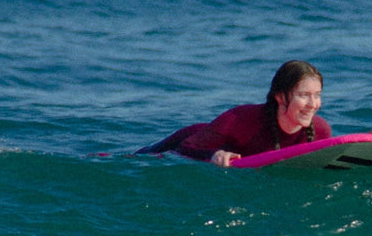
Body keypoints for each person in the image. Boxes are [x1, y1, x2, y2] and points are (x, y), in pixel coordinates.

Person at [137, 60, 330, 166]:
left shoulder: (320, 131)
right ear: (280, 97)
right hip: (195, 139)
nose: (313, 104)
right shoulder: (240, 120)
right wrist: (214, 154)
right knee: (136, 160)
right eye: (304, 95)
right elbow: (184, 148)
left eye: (317, 95)